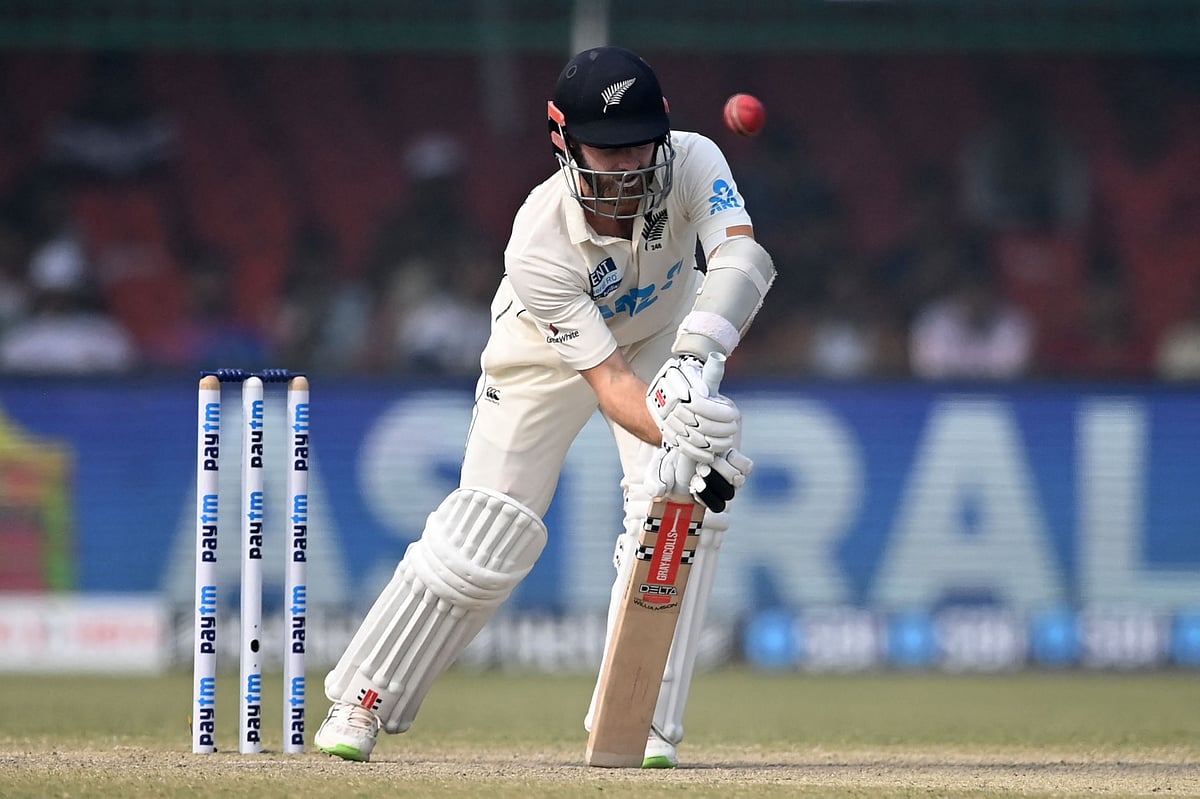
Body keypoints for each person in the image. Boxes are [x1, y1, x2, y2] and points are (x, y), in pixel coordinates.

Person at [314, 46, 773, 768]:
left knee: (681, 502)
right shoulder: (537, 241)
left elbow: (741, 260)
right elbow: (611, 383)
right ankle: (362, 696)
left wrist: (693, 370)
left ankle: (641, 716)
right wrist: (679, 427)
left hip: (664, 337)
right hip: (544, 355)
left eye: (638, 146)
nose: (626, 165)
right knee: (488, 531)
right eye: (607, 148)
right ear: (564, 142)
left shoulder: (692, 159)